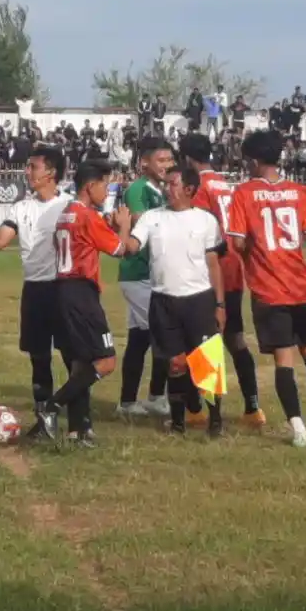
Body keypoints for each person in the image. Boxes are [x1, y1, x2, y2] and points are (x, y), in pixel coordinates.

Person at [226, 129, 306, 448]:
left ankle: (299, 429)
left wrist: (254, 251)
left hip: (269, 289)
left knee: (284, 360)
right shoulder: (299, 191)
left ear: (253, 161)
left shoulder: (244, 193)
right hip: (301, 284)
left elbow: (237, 242)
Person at [0, 144, 71, 439]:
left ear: (51, 173)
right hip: (35, 291)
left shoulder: (69, 206)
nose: (27, 171)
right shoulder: (21, 208)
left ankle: (81, 425)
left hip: (65, 290)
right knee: (39, 358)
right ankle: (46, 423)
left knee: (74, 357)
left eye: (33, 167)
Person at [116, 165, 226, 436]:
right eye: (165, 183)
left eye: (172, 184)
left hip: (198, 300)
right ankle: (178, 423)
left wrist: (220, 304)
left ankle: (215, 420)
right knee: (174, 363)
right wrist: (123, 228)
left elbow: (213, 264)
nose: (167, 188)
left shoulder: (205, 220)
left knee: (207, 364)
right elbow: (130, 249)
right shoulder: (152, 218)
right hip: (163, 301)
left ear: (189, 189)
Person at [177, 133, 264, 428]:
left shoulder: (198, 187)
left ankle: (198, 410)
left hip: (210, 271)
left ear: (188, 159)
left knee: (202, 342)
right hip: (234, 269)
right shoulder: (225, 184)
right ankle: (253, 407)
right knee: (235, 338)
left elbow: (197, 229)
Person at [39, 159, 127, 447]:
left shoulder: (67, 213)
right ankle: (51, 407)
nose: (107, 192)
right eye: (105, 186)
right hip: (81, 293)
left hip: (62, 289)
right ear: (90, 186)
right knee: (106, 361)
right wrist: (124, 227)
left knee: (80, 363)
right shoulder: (88, 216)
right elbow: (119, 249)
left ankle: (77, 430)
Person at [114, 136, 173, 417]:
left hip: (151, 273)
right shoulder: (138, 189)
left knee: (140, 338)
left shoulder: (162, 189)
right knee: (164, 332)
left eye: (170, 159)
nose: (167, 165)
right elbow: (140, 222)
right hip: (138, 272)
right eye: (161, 160)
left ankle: (130, 401)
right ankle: (156, 395)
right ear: (144, 163)